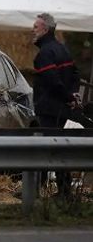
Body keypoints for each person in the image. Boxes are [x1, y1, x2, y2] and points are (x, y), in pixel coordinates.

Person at [32, 12, 81, 197]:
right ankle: (63, 189)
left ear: (45, 29)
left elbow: (52, 82)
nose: (32, 30)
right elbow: (75, 74)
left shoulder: (45, 53)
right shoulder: (62, 49)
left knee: (47, 148)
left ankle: (42, 189)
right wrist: (73, 95)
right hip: (62, 109)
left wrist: (69, 97)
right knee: (57, 148)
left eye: (35, 27)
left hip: (49, 108)